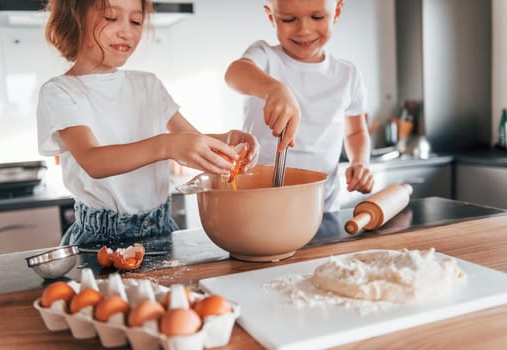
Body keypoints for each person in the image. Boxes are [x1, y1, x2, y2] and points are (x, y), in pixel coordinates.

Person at [37, 0, 259, 245]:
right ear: (74, 16)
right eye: (111, 17)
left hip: (162, 229)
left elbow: (189, 140)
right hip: (98, 239)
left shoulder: (148, 84)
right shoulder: (60, 91)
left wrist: (228, 141)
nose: (127, 31)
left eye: (136, 21)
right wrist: (167, 145)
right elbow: (93, 160)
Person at [225, 0, 374, 212]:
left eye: (317, 17)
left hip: (321, 206)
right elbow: (234, 73)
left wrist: (360, 162)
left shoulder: (347, 74)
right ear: (271, 17)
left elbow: (356, 131)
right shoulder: (265, 57)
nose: (304, 29)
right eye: (288, 19)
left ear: (337, 11)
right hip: (260, 204)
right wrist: (273, 89)